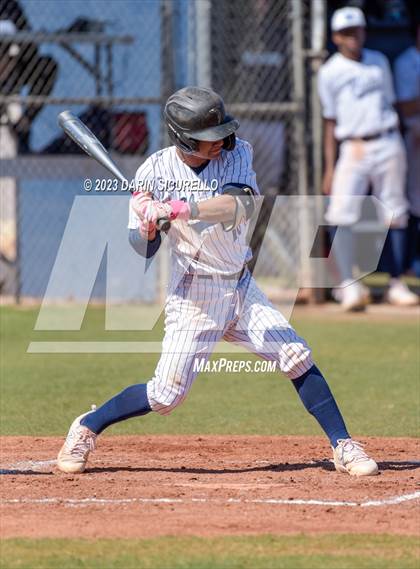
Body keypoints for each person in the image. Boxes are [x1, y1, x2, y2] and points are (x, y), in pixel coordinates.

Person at [57, 86, 378, 477]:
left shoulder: (238, 152)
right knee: (165, 396)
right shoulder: (152, 173)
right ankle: (87, 427)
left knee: (295, 354)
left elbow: (237, 205)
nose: (219, 142)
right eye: (209, 138)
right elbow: (142, 250)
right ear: (183, 138)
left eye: (221, 133)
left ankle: (343, 445)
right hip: (195, 295)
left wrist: (176, 208)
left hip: (240, 285)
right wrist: (146, 225)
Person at [318, 6, 418, 310]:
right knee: (340, 212)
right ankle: (347, 284)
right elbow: (330, 121)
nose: (353, 38)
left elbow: (391, 103)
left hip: (387, 139)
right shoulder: (329, 71)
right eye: (346, 33)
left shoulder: (378, 62)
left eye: (357, 31)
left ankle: (396, 282)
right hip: (353, 144)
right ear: (336, 37)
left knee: (395, 212)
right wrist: (329, 166)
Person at [0, 0, 58, 152]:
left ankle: (23, 127)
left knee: (47, 66)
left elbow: (30, 48)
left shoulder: (10, 6)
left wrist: (12, 58)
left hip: (14, 73)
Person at [394, 20, 420, 277]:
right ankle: (410, 263)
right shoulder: (407, 61)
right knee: (413, 203)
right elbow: (406, 107)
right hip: (415, 136)